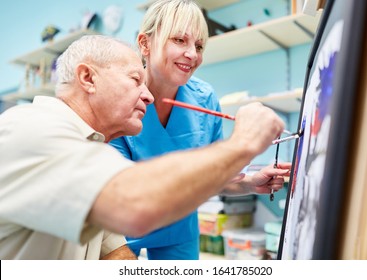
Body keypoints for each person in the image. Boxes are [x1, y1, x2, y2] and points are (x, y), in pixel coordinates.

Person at [0, 34, 287, 260]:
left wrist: (244, 179)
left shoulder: (88, 146)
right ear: (88, 78)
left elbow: (111, 250)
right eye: (135, 79)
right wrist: (244, 142)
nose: (148, 96)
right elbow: (134, 207)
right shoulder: (32, 129)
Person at [109, 0, 291, 260]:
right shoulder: (118, 100)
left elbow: (212, 179)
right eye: (180, 40)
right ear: (145, 44)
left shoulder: (204, 98)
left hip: (179, 234)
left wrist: (249, 183)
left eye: (199, 45)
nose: (192, 55)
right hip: (119, 236)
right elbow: (119, 193)